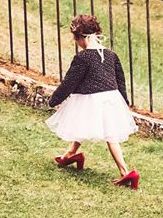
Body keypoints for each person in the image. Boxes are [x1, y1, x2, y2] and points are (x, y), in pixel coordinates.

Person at [46, 15, 141, 189]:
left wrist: (54, 100)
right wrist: (124, 102)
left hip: (92, 99)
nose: (76, 42)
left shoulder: (83, 58)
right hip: (112, 98)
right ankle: (70, 155)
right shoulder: (111, 55)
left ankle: (126, 172)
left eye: (76, 38)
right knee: (83, 123)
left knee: (109, 135)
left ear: (83, 37)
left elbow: (69, 83)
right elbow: (121, 80)